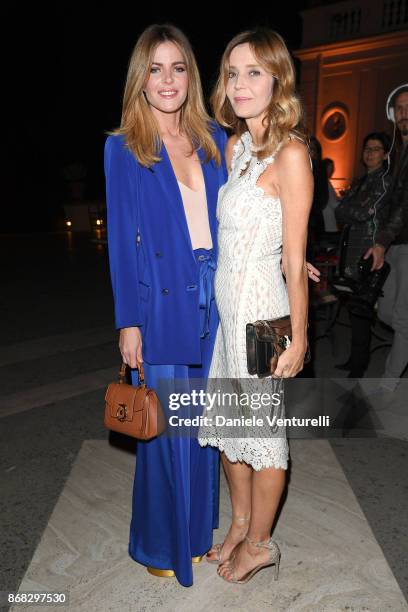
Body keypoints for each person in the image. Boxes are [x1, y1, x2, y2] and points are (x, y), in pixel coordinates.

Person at [104, 24, 228, 587]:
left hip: (216, 300)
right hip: (163, 307)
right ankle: (159, 541)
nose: (168, 79)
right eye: (155, 68)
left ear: (190, 76)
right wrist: (129, 321)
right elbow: (123, 248)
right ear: (141, 78)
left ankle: (198, 536)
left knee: (204, 429)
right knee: (166, 433)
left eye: (177, 67)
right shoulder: (124, 147)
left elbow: (244, 214)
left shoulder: (214, 140)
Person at [199, 28, 312, 584]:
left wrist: (303, 335)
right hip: (227, 315)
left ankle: (261, 543)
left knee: (265, 442)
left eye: (254, 73)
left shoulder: (292, 154)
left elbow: (293, 257)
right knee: (227, 429)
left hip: (263, 320)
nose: (241, 85)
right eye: (232, 73)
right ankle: (239, 525)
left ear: (277, 80)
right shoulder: (235, 146)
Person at [334, 131, 392, 377]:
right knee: (354, 307)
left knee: (363, 309)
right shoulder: (359, 181)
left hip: (369, 251)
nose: (369, 153)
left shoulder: (384, 182)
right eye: (367, 148)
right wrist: (350, 209)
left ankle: (360, 364)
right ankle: (355, 359)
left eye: (376, 148)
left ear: (386, 154)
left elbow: (361, 212)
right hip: (351, 249)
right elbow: (340, 212)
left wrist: (349, 208)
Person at [364, 85, 408, 391]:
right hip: (394, 242)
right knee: (389, 312)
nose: (405, 114)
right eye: (401, 108)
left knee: (402, 318)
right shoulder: (398, 152)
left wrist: (381, 240)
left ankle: (389, 382)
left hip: (402, 242)